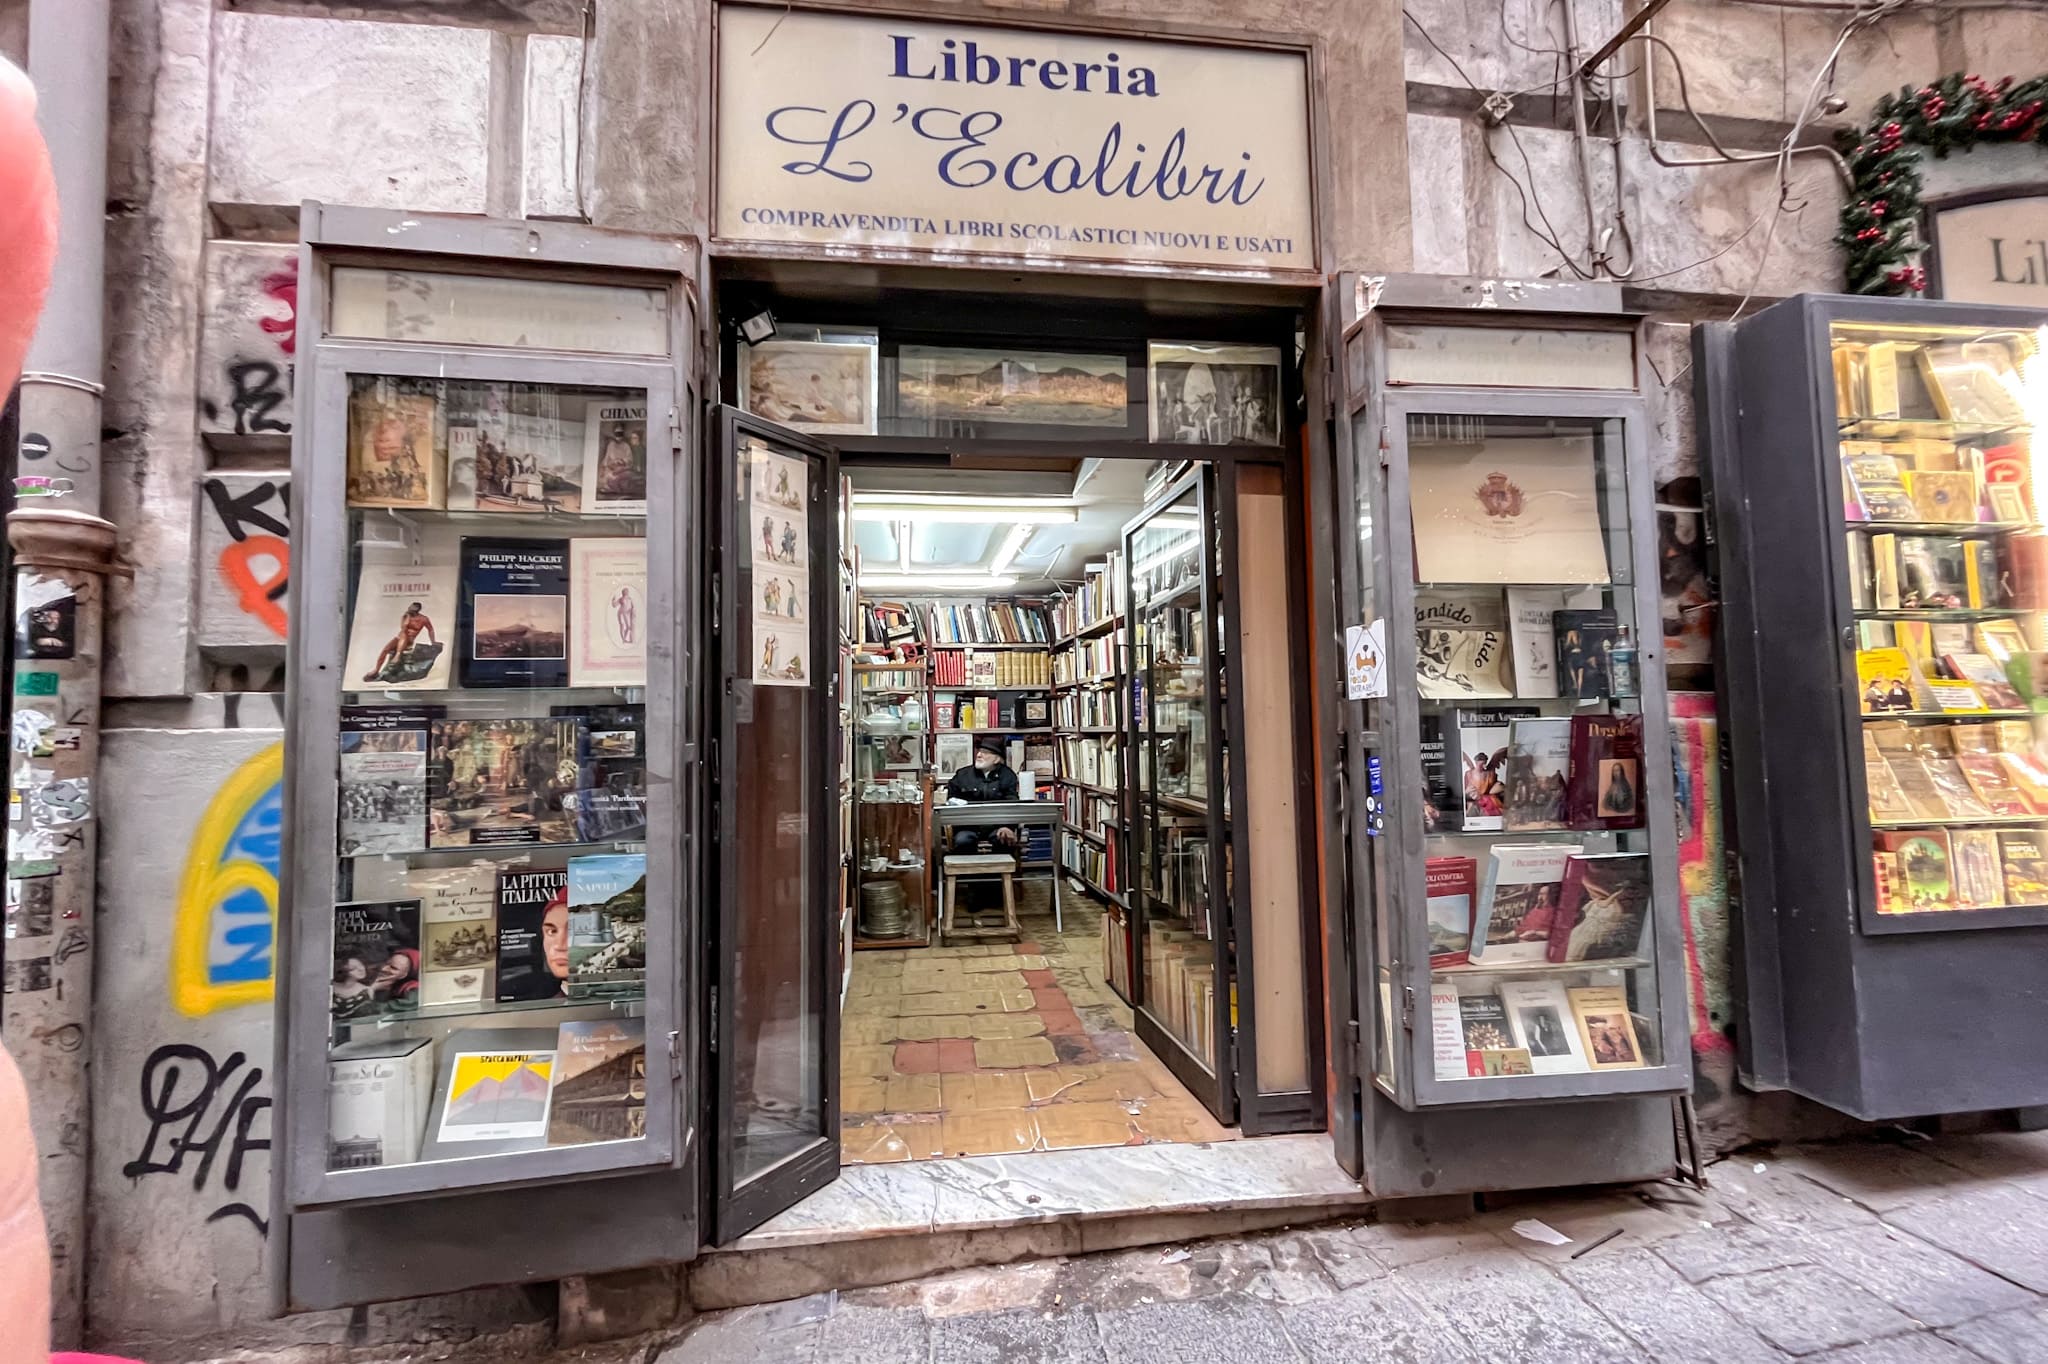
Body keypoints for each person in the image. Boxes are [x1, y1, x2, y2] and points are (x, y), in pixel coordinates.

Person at [945, 737, 1019, 853]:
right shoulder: (963, 775)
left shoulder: (1008, 776)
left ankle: (998, 870)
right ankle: (968, 871)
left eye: (985, 753)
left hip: (997, 826)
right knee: (962, 841)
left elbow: (1013, 805)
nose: (979, 755)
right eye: (979, 751)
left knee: (1004, 840)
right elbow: (951, 800)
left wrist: (1008, 827)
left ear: (996, 759)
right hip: (967, 827)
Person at [364, 599, 437, 681]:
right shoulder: (405, 616)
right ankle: (376, 670)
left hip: (409, 640)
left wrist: (433, 641)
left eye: (412, 608)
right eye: (410, 608)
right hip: (400, 638)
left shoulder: (424, 619)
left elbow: (430, 629)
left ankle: (398, 655)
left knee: (404, 635)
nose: (410, 609)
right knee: (385, 649)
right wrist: (407, 618)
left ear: (417, 609)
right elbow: (403, 629)